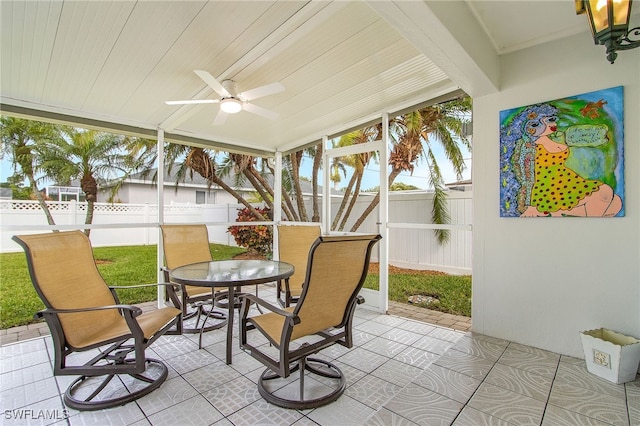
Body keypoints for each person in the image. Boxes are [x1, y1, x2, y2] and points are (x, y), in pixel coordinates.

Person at [502, 104, 622, 217]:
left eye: (551, 119)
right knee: (604, 193)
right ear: (530, 128)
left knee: (616, 203)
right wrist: (528, 204)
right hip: (549, 188)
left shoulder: (558, 138)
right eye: (540, 123)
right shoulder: (529, 148)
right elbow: (525, 176)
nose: (551, 124)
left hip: (568, 181)